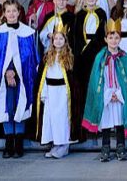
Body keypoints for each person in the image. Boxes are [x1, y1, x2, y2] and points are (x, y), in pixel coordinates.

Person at [82, 19, 127, 162]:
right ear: (105, 39)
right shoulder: (100, 57)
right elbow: (97, 79)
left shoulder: (125, 57)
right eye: (110, 38)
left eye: (116, 38)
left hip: (120, 95)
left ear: (120, 39)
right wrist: (108, 94)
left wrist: (118, 94)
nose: (114, 41)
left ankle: (120, 147)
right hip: (105, 95)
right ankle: (105, 148)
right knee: (106, 123)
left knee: (119, 122)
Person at [0, 0, 39, 158]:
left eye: (15, 11)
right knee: (6, 107)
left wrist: (16, 71)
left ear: (19, 13)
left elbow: (30, 57)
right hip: (3, 80)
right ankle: (8, 143)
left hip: (22, 78)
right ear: (4, 13)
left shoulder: (27, 33)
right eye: (9, 11)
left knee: (19, 106)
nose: (12, 14)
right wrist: (7, 72)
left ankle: (19, 143)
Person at [33, 20, 80, 159]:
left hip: (63, 92)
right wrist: (44, 92)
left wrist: (69, 92)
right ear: (52, 40)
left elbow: (72, 78)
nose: (58, 41)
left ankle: (64, 144)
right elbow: (43, 75)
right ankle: (55, 143)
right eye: (56, 38)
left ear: (65, 40)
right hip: (50, 91)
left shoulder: (69, 57)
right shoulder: (47, 56)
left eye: (61, 38)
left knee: (62, 118)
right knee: (51, 118)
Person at [71, 0, 107, 113]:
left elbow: (102, 33)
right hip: (82, 54)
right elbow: (76, 35)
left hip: (96, 51)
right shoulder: (79, 15)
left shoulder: (101, 13)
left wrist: (94, 48)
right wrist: (81, 50)